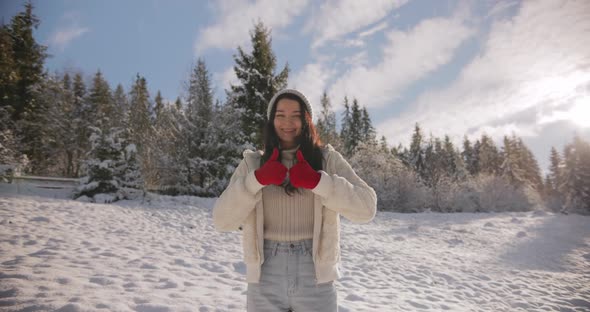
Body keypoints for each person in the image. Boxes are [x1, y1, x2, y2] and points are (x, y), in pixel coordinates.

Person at [213, 88, 377, 312]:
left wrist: (319, 182)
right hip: (265, 273)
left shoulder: (327, 159)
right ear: (272, 121)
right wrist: (256, 180)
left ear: (306, 120)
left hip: (316, 274)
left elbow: (367, 208)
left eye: (296, 115)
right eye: (280, 115)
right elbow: (222, 221)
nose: (287, 122)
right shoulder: (252, 164)